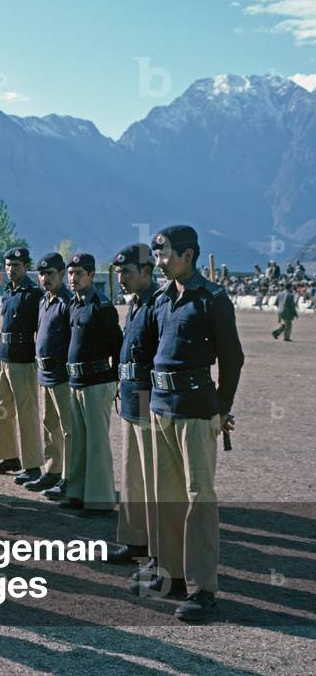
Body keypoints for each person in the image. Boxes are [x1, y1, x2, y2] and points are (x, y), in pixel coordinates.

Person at [142, 225, 244, 622]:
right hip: (162, 407)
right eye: (157, 254)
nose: (160, 261)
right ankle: (175, 573)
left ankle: (203, 589)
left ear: (188, 255)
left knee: (199, 496)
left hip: (198, 410)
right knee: (166, 495)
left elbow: (232, 359)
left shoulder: (212, 300)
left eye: (165, 254)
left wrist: (222, 407)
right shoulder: (163, 300)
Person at [111, 243, 161, 579]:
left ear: (146, 271)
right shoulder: (137, 304)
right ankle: (136, 540)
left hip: (148, 395)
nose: (121, 280)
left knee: (154, 478)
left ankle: (159, 548)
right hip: (131, 394)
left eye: (126, 272)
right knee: (132, 475)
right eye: (118, 274)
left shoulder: (158, 304)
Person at [64, 253, 122, 516]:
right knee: (78, 441)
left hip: (97, 382)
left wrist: (114, 380)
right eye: (70, 273)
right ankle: (77, 493)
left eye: (78, 273)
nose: (73, 278)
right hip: (76, 381)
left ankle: (100, 499)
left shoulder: (102, 306)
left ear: (90, 275)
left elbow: (117, 346)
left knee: (97, 443)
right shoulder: (74, 305)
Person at [0, 247, 45, 481]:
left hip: (23, 358)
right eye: (8, 265)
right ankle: (9, 456)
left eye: (16, 266)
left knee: (26, 412)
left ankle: (33, 466)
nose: (11, 270)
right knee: (2, 410)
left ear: (26, 267)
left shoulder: (33, 293)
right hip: (4, 356)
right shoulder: (10, 292)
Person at [28, 252, 74, 496]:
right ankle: (52, 471)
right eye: (42, 274)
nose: (45, 278)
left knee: (68, 429)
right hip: (44, 373)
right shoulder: (44, 301)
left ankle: (68, 477)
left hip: (61, 373)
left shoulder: (68, 302)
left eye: (50, 274)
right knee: (49, 424)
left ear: (62, 274)